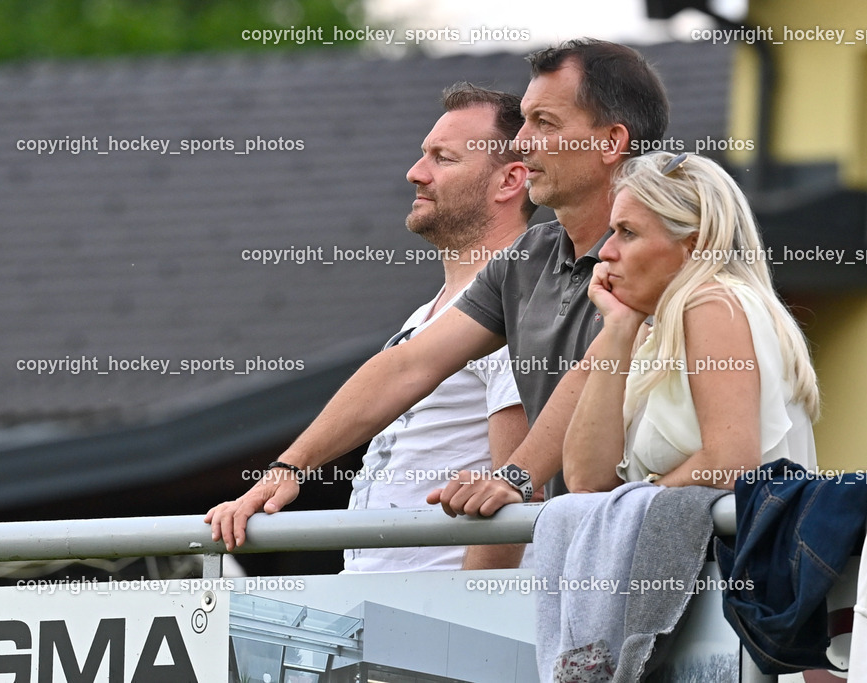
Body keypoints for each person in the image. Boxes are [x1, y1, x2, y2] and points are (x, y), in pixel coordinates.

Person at [205, 39, 671, 550]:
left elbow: (593, 375)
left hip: (673, 565)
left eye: (545, 123)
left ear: (610, 142)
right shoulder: (530, 257)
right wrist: (290, 467)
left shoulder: (666, 249)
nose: (523, 143)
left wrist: (514, 478)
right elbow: (409, 365)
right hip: (586, 563)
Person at [206, 83, 533, 571]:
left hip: (445, 622)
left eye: (443, 158)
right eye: (423, 154)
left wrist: (473, 612)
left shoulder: (522, 299)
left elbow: (516, 497)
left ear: (509, 182)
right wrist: (288, 469)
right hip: (388, 619)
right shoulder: (429, 315)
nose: (415, 173)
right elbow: (399, 374)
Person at [564, 152, 819, 492]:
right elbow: (586, 483)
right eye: (612, 231)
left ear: (695, 246)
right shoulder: (653, 329)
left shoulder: (714, 304)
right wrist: (619, 328)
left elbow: (729, 465)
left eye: (628, 232)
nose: (606, 251)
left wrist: (631, 507)